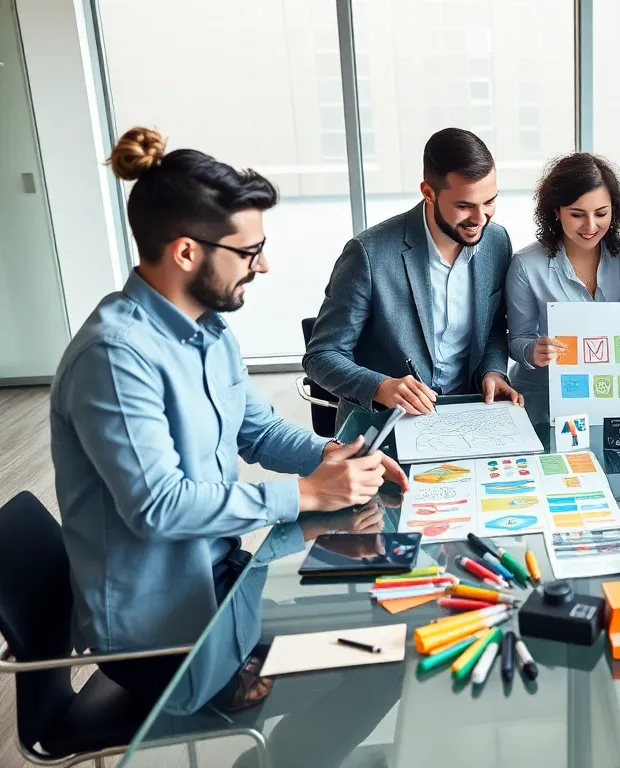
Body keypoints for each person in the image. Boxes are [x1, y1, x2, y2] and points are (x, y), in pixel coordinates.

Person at [48, 127, 408, 704]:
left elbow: (258, 430)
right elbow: (158, 508)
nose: (262, 267)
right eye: (248, 251)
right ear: (186, 252)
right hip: (164, 636)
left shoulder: (210, 332)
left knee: (389, 639)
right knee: (372, 670)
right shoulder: (114, 357)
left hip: (221, 587)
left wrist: (330, 458)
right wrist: (306, 494)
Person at [304, 128, 522, 430]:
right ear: (428, 192)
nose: (480, 218)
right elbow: (321, 356)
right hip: (383, 428)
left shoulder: (496, 242)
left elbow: (495, 328)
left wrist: (493, 373)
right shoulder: (368, 254)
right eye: (464, 206)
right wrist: (383, 387)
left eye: (489, 202)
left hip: (469, 417)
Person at [506, 153, 620, 397]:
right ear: (556, 211)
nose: (590, 227)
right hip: (541, 391)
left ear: (614, 210)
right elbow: (517, 339)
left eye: (601, 214)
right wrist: (532, 350)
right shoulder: (526, 265)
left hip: (612, 387)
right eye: (577, 215)